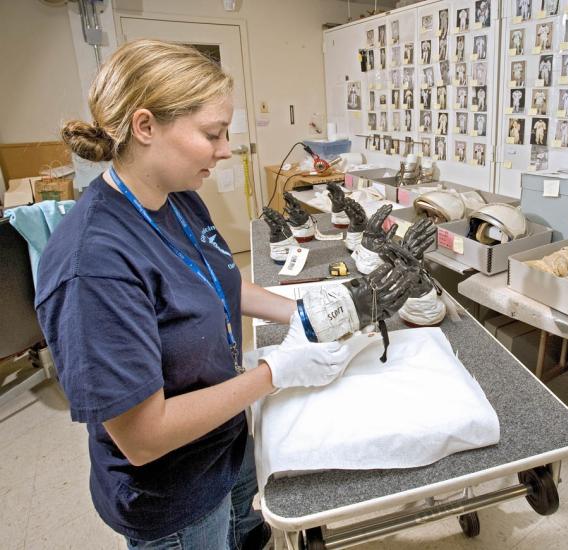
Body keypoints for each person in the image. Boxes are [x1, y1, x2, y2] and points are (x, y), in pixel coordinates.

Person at [35, 40, 363, 550]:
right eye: (213, 133)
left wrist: (300, 309)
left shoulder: (179, 199)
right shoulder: (93, 265)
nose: (227, 149)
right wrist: (273, 373)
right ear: (145, 127)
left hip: (227, 449)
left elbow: (218, 279)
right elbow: (143, 437)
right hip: (173, 498)